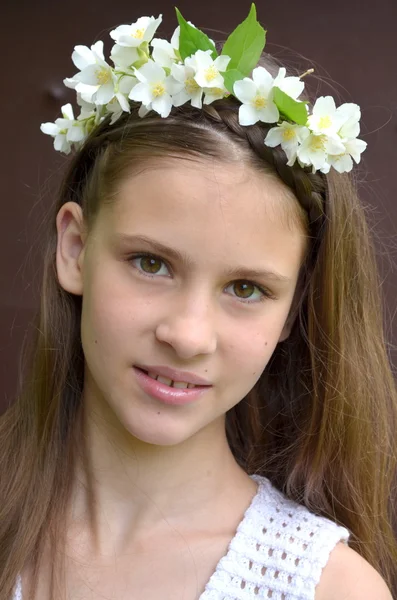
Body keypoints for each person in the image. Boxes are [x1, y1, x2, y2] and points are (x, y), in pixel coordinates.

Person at [1, 5, 396, 600]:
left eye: (246, 289)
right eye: (151, 263)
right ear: (75, 249)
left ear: (293, 310)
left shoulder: (322, 587)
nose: (187, 336)